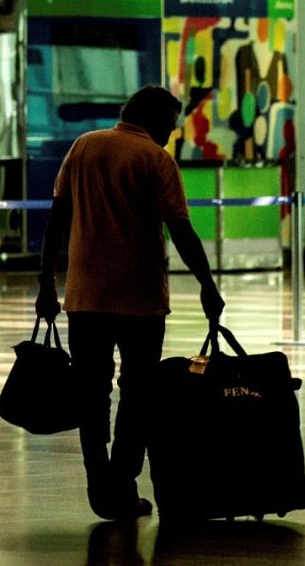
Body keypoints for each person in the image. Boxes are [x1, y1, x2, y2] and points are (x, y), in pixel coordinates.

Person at [36, 85, 225, 521]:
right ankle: (122, 484)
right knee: (138, 394)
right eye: (171, 126)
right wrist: (207, 284)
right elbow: (180, 230)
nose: (171, 135)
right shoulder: (156, 160)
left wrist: (46, 284)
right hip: (140, 299)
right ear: (156, 120)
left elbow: (57, 220)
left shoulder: (84, 147)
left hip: (86, 297)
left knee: (90, 392)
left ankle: (98, 483)